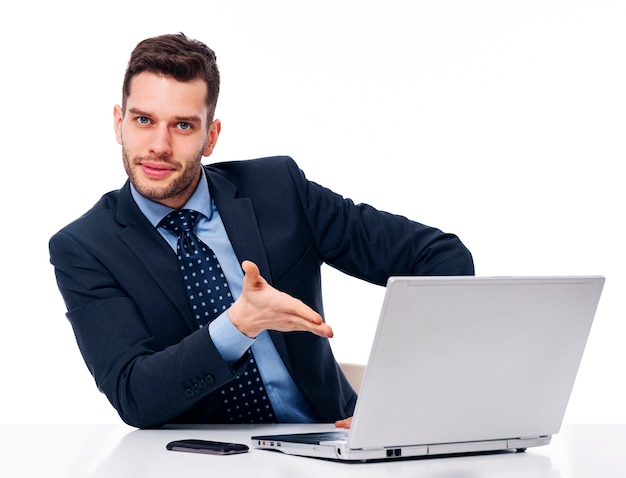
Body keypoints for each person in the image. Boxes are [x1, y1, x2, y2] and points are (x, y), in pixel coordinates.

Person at [49, 33, 474, 429]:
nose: (159, 145)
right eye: (144, 120)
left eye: (182, 125)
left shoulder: (279, 190)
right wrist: (239, 324)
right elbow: (134, 394)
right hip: (198, 462)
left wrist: (403, 393)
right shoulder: (85, 248)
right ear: (118, 123)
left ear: (211, 137)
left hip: (331, 441)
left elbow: (439, 256)